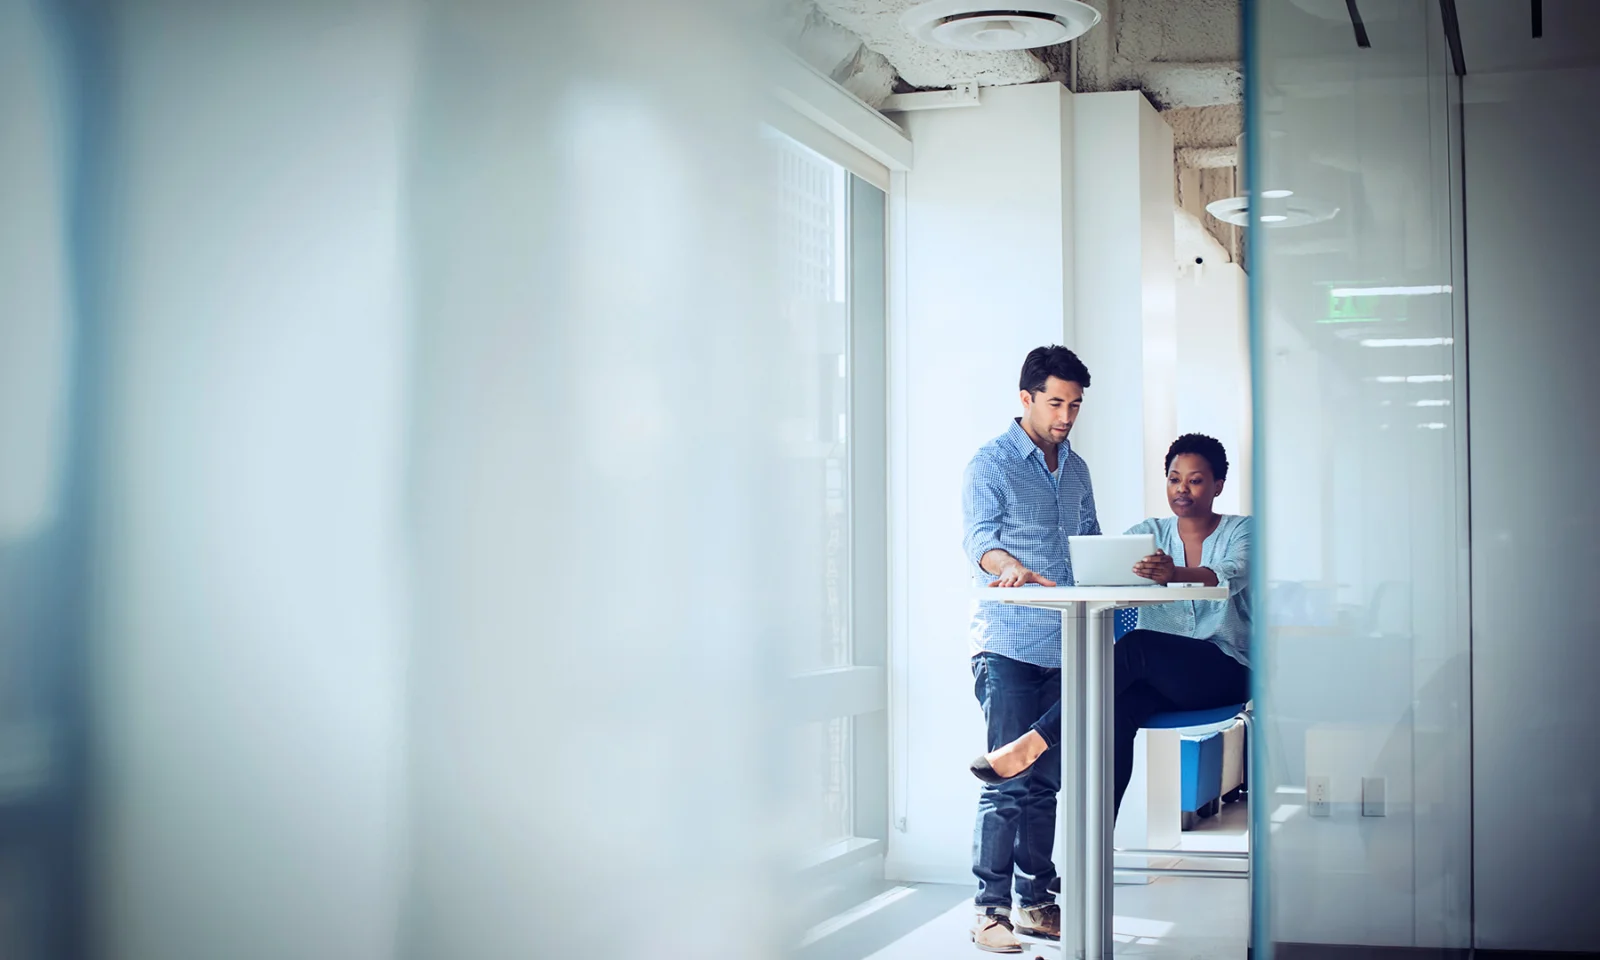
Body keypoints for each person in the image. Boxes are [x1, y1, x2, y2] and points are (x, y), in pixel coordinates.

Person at [969, 434, 1252, 831]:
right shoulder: (1147, 534)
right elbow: (1105, 576)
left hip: (1224, 673)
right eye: (1174, 479)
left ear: (1218, 485)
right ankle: (1094, 849)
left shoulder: (1243, 532)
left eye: (1195, 480)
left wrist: (1175, 575)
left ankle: (1036, 741)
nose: (1182, 489)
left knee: (1136, 645)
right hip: (1163, 683)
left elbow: (1231, 574)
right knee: (1116, 709)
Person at [962, 345, 1100, 953]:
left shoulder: (1078, 470)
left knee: (1045, 782)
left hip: (1066, 644)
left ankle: (1035, 904)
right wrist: (1008, 565)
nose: (1066, 415)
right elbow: (978, 540)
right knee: (1006, 784)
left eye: (1074, 404)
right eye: (1055, 403)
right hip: (1009, 645)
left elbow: (1092, 543)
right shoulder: (990, 464)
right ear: (1026, 399)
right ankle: (988, 910)